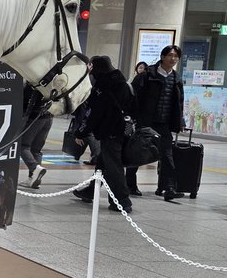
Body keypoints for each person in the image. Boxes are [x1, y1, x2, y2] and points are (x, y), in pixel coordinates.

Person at [71, 56, 135, 212]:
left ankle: (122, 201)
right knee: (102, 162)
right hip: (124, 131)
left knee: (113, 167)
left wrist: (80, 133)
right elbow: (134, 107)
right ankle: (90, 191)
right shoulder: (125, 84)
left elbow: (92, 114)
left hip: (109, 133)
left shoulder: (102, 87)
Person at [128, 44, 185, 201]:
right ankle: (130, 184)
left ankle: (169, 188)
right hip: (145, 121)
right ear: (162, 57)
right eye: (170, 55)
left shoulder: (176, 78)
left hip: (164, 123)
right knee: (139, 153)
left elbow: (179, 102)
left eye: (176, 56)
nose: (173, 59)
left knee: (167, 155)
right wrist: (133, 117)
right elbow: (133, 96)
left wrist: (180, 120)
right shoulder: (147, 75)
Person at [19, 83, 52, 188]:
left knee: (23, 145)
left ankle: (34, 168)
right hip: (49, 116)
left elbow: (25, 101)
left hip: (36, 116)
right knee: (36, 150)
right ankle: (33, 179)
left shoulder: (33, 83)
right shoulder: (50, 82)